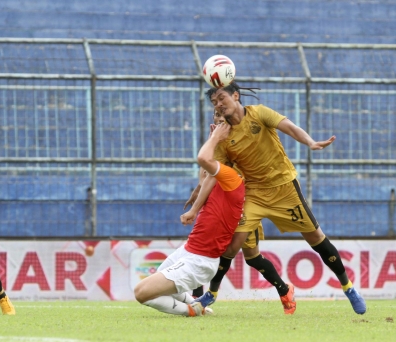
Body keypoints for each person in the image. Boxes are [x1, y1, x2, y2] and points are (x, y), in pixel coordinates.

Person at [195, 82, 366, 315]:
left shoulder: (259, 113)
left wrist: (310, 142)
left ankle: (349, 288)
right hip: (254, 193)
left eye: (222, 98)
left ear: (236, 96)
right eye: (214, 102)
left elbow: (289, 127)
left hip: (284, 188)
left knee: (316, 238)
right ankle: (212, 294)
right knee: (233, 245)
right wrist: (198, 195)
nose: (218, 104)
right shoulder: (223, 136)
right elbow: (213, 171)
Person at [186, 111, 296, 314]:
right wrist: (197, 193)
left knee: (252, 257)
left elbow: (224, 173)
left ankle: (283, 289)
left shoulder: (240, 150)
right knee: (205, 249)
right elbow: (207, 174)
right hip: (217, 210)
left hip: (243, 209)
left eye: (223, 122)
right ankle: (197, 297)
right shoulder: (214, 146)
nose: (219, 125)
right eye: (216, 121)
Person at [133, 122, 244, 317]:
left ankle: (190, 311)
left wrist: (216, 138)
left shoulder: (233, 178)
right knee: (158, 289)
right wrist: (215, 139)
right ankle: (197, 304)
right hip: (188, 250)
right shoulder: (215, 180)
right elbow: (206, 172)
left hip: (201, 260)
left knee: (142, 292)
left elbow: (204, 159)